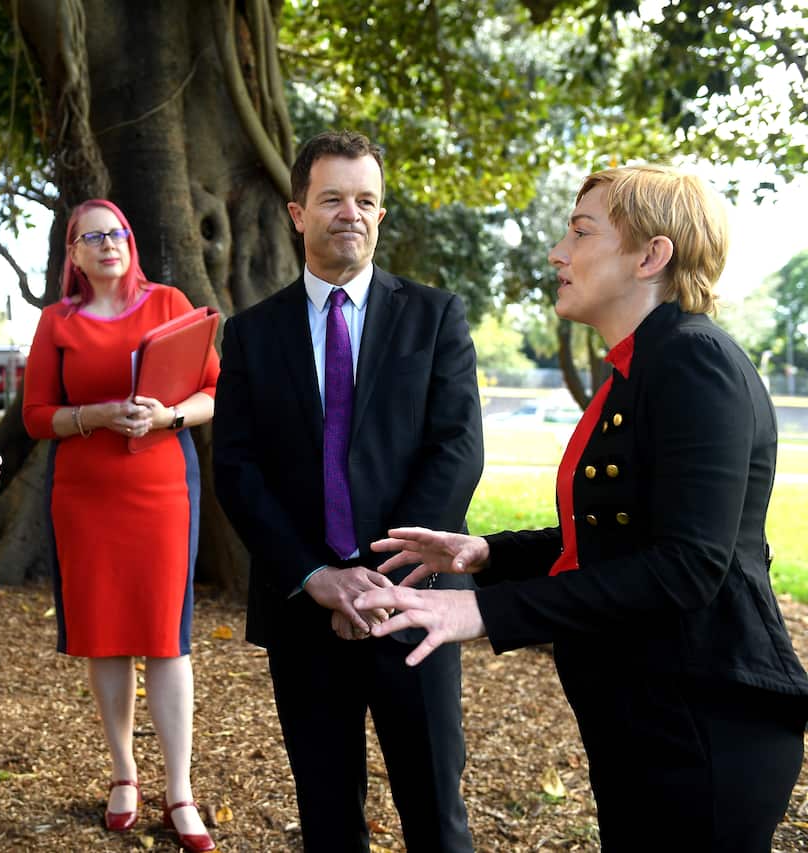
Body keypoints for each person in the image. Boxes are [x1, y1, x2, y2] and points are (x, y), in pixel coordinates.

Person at [358, 164, 808, 852]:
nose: (557, 252)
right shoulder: (641, 362)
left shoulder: (694, 361)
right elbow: (615, 531)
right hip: (648, 719)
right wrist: (487, 554)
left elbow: (688, 565)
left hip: (703, 730)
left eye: (581, 231)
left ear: (651, 255)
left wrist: (481, 611)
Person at [212, 130, 482, 852]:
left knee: (436, 812)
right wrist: (319, 576)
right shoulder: (249, 334)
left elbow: (456, 451)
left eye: (366, 200)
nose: (350, 213)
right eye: (332, 198)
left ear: (381, 216)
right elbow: (237, 470)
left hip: (410, 602)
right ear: (298, 212)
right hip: (304, 610)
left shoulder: (436, 317)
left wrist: (382, 583)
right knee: (328, 817)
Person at [22, 199, 220, 852]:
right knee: (105, 634)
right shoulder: (57, 321)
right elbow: (35, 415)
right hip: (85, 494)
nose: (109, 242)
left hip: (162, 489)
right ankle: (123, 773)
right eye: (92, 235)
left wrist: (163, 417)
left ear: (131, 243)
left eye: (119, 232)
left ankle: (180, 788)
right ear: (72, 253)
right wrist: (97, 415)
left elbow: (210, 393)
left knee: (167, 637)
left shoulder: (170, 302)